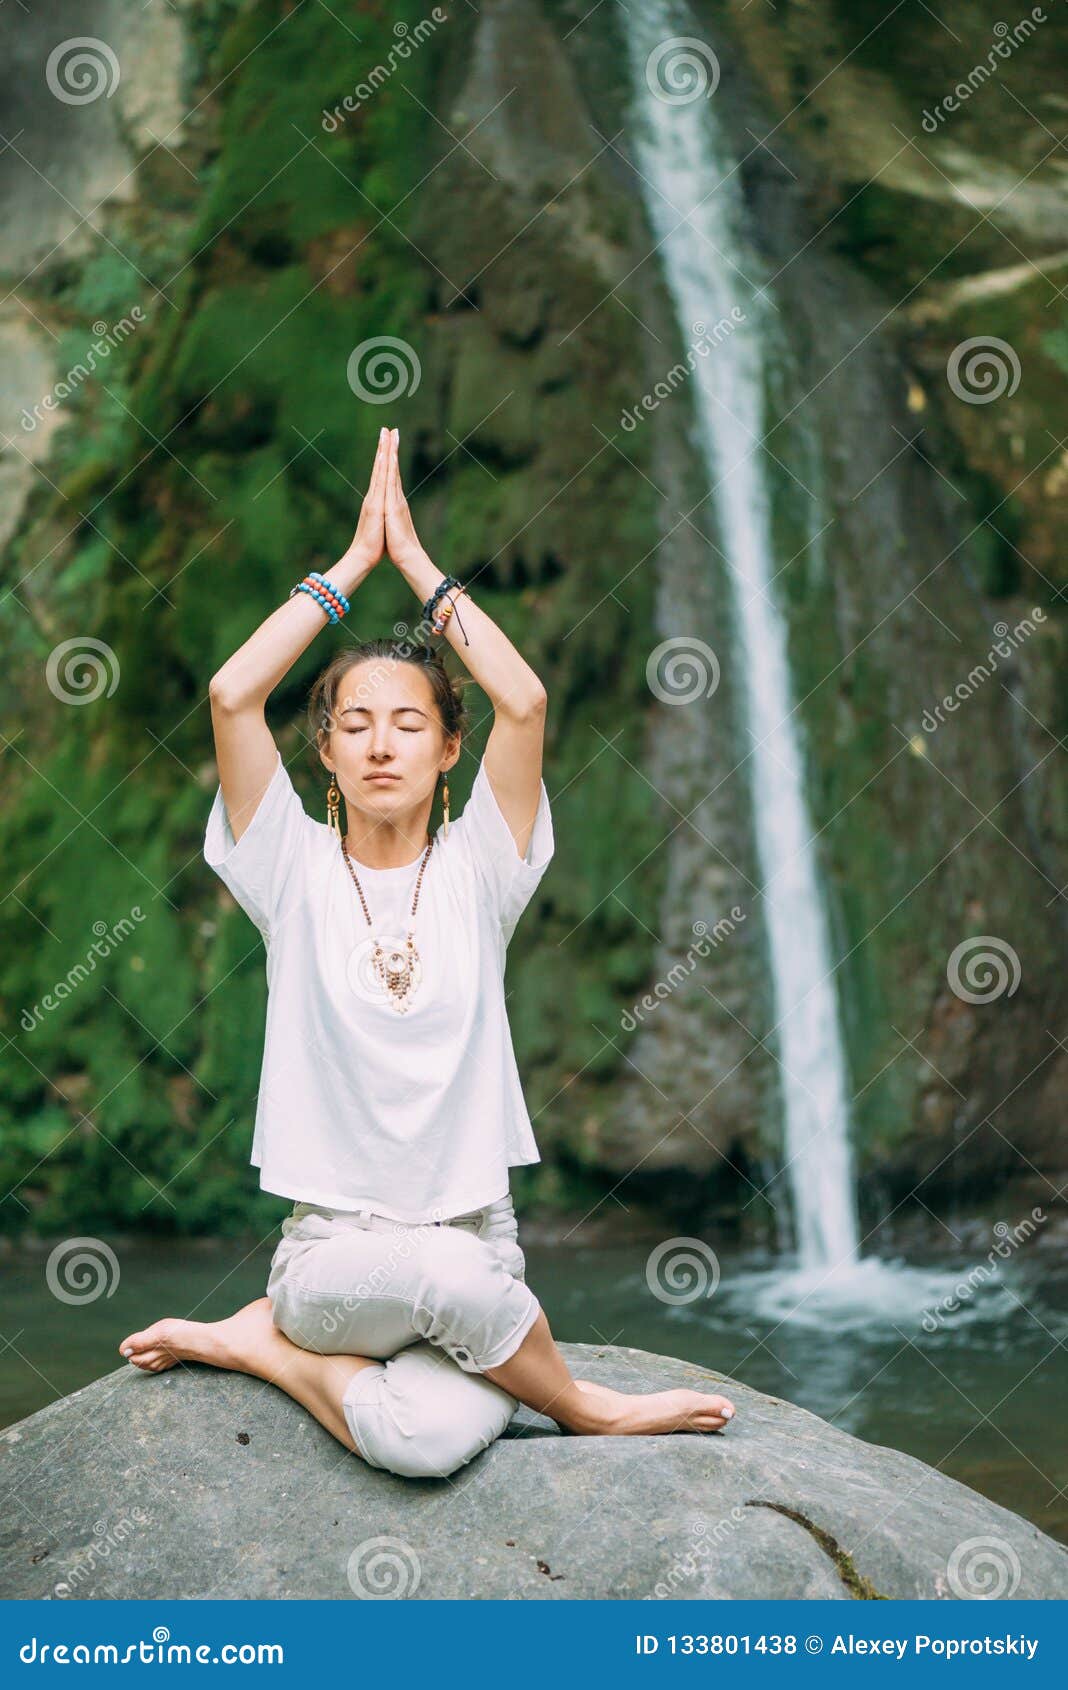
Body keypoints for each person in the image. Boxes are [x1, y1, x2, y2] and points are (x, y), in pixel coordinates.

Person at [118, 426, 736, 1478]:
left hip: (476, 1248)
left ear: (452, 748)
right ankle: (586, 1407)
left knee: (425, 1440)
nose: (379, 742)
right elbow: (231, 695)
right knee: (452, 1287)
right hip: (335, 1262)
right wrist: (350, 573)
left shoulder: (481, 870)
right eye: (352, 723)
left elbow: (526, 701)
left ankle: (251, 1342)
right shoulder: (290, 868)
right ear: (324, 752)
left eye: (408, 722)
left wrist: (424, 574)